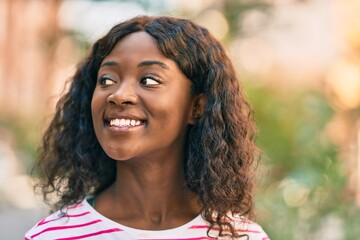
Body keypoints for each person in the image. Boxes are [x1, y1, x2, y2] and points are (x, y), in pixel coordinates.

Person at [24, 15, 270, 239]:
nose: (119, 95)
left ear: (197, 107)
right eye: (107, 80)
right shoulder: (51, 235)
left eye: (149, 80)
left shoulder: (241, 236)